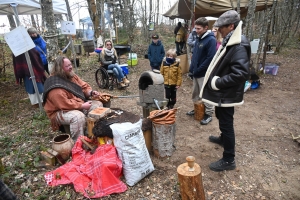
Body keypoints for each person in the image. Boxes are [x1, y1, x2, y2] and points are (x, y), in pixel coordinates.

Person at [200, 10, 251, 171]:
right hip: (223, 93)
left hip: (227, 93)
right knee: (221, 117)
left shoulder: (239, 45)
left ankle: (229, 159)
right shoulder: (230, 41)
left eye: (221, 27)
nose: (219, 30)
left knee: (227, 123)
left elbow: (241, 74)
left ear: (231, 26)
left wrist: (218, 82)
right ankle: (223, 139)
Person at [43, 56, 103, 142]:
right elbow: (64, 104)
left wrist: (90, 92)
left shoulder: (71, 75)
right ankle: (78, 143)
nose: (70, 67)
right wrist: (81, 105)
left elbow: (83, 87)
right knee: (78, 117)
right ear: (60, 69)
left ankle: (91, 134)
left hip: (76, 104)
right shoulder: (54, 85)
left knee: (97, 105)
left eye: (70, 64)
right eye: (67, 66)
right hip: (58, 111)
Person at [186, 17, 216, 125]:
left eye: (198, 28)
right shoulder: (198, 38)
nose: (196, 31)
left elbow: (210, 58)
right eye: (196, 28)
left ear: (206, 27)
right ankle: (197, 108)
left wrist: (198, 70)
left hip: (204, 73)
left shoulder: (211, 40)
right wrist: (191, 69)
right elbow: (195, 55)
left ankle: (208, 114)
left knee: (205, 94)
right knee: (196, 93)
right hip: (196, 72)